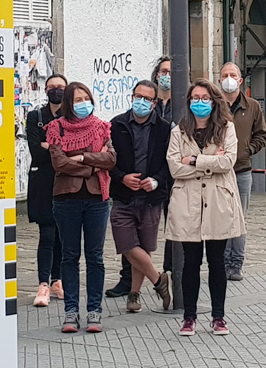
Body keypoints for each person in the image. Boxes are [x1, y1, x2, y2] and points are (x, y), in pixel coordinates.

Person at [165, 80, 245, 337]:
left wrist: (195, 160)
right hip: (188, 201)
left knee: (216, 261)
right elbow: (174, 167)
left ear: (214, 101)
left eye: (204, 98)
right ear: (188, 102)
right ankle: (189, 317)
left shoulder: (226, 129)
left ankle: (218, 316)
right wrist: (210, 161)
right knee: (190, 262)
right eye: (194, 98)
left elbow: (228, 161)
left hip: (217, 201)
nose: (199, 102)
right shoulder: (178, 131)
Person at [47, 81, 116, 333]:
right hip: (66, 199)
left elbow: (111, 159)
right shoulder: (56, 128)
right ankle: (71, 312)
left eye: (86, 98)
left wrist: (83, 157)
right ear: (68, 103)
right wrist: (92, 167)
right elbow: (59, 163)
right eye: (77, 100)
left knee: (95, 257)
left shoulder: (101, 126)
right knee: (70, 256)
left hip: (97, 199)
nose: (83, 103)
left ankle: (94, 311)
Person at [108, 56, 174, 299]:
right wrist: (122, 178)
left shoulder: (165, 128)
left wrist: (156, 180)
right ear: (132, 97)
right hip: (124, 195)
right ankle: (158, 279)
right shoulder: (116, 125)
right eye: (139, 97)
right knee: (126, 244)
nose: (142, 102)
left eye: (147, 99)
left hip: (150, 196)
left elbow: (170, 164)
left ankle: (134, 294)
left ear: (154, 104)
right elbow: (108, 163)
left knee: (144, 246)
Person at [217, 63, 266, 281]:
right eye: (224, 75)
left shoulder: (253, 106)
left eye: (232, 75)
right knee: (220, 219)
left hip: (241, 170)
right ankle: (221, 262)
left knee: (239, 219)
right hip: (218, 171)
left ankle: (236, 264)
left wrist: (247, 150)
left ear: (240, 80)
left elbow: (262, 134)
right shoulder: (214, 106)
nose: (229, 78)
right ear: (219, 80)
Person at [26, 73, 69, 307]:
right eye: (51, 87)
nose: (56, 91)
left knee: (62, 235)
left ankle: (58, 280)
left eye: (60, 87)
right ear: (46, 90)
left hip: (65, 181)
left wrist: (50, 146)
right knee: (47, 233)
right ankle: (43, 282)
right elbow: (36, 151)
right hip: (42, 182)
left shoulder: (71, 118)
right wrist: (59, 148)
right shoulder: (35, 117)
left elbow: (73, 151)